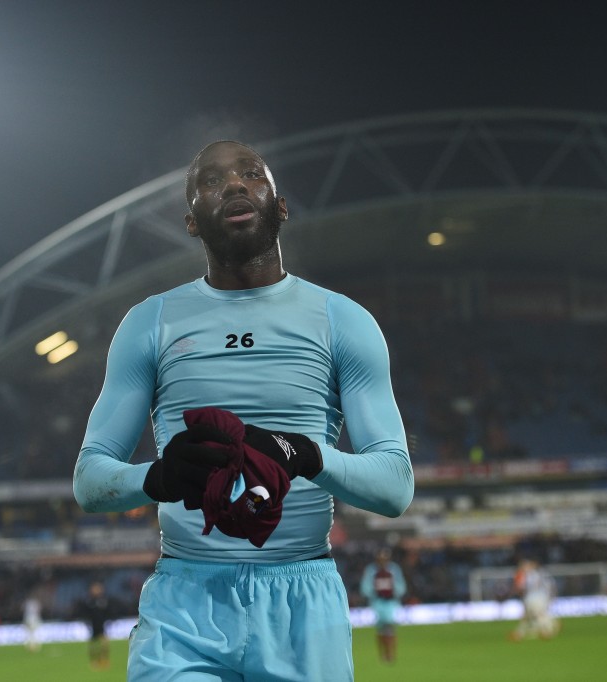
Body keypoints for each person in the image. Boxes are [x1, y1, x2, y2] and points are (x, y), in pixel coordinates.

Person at [73, 140, 414, 681]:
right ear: (191, 222)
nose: (233, 184)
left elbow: (395, 487)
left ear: (279, 206)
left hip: (304, 606)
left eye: (251, 174)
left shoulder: (342, 321)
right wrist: (159, 476)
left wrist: (307, 455)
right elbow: (90, 480)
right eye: (210, 181)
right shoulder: (149, 323)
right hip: (185, 604)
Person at [359, 547, 407, 663]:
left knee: (390, 625)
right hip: (377, 601)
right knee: (381, 628)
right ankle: (383, 654)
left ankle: (390, 654)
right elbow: (365, 586)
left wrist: (394, 592)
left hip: (391, 602)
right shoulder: (371, 570)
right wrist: (374, 592)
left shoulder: (394, 569)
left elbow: (400, 585)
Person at [510, 559, 558, 640]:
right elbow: (551, 586)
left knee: (534, 615)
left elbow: (521, 587)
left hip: (532, 597)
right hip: (542, 596)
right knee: (533, 615)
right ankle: (549, 626)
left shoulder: (529, 575)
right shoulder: (542, 573)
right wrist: (551, 597)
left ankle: (547, 629)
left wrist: (517, 590)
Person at [76, 581, 112, 670]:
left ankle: (103, 660)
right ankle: (94, 661)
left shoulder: (103, 600)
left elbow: (107, 612)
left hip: (101, 625)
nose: (97, 590)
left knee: (104, 643)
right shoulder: (89, 601)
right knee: (94, 645)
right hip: (93, 626)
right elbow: (85, 613)